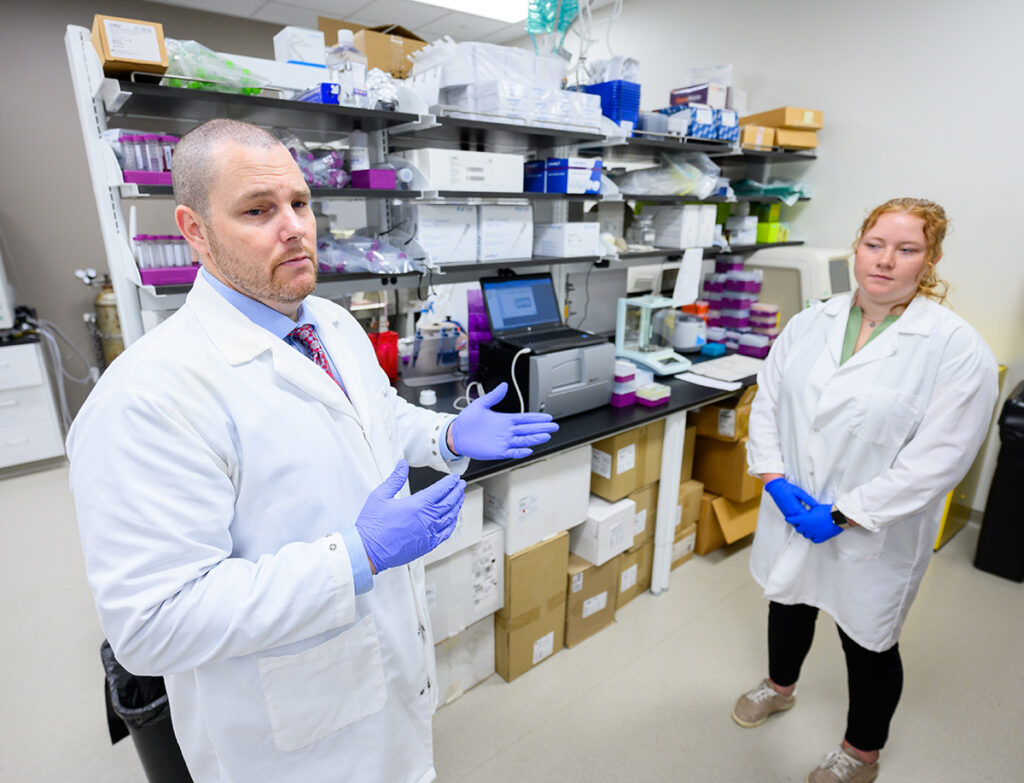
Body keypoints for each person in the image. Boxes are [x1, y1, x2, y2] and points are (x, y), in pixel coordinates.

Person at [66, 118, 558, 782]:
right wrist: (356, 555)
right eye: (257, 210)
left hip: (386, 681)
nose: (294, 226)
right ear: (194, 230)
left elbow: (374, 414)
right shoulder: (147, 397)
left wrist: (443, 436)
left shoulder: (327, 320)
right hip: (286, 741)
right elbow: (154, 622)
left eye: (299, 202)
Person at [732, 198, 998, 783]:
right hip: (794, 506)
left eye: (907, 249)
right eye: (875, 244)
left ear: (930, 260)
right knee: (788, 601)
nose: (885, 261)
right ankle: (779, 687)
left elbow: (940, 458)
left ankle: (861, 753)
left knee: (868, 640)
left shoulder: (955, 348)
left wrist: (847, 513)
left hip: (877, 529)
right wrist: (774, 481)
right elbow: (769, 401)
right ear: (857, 247)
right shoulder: (811, 322)